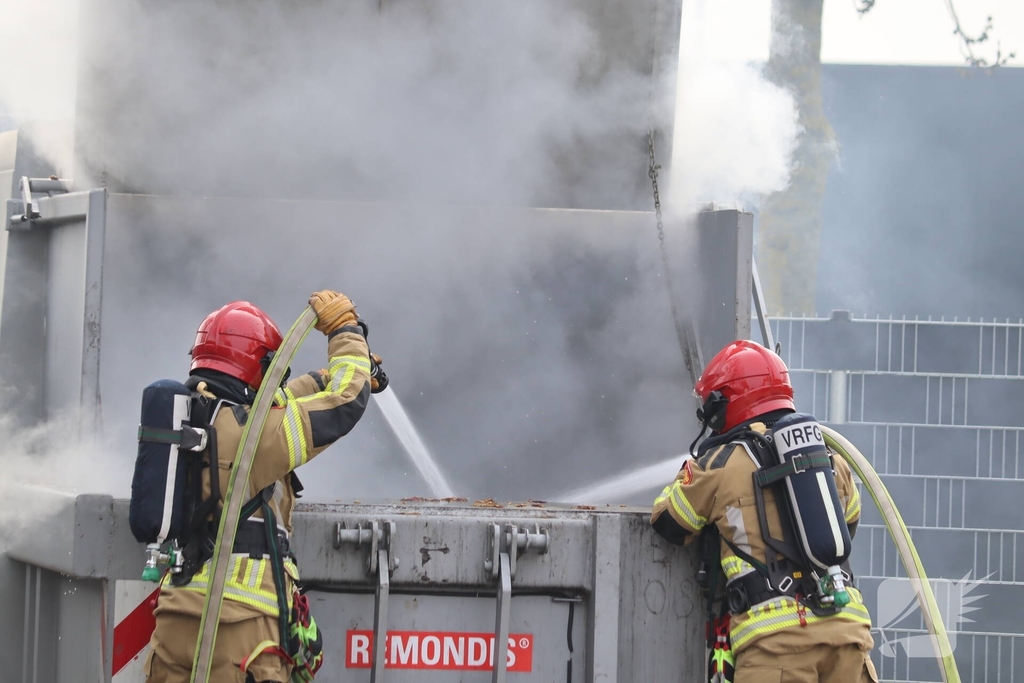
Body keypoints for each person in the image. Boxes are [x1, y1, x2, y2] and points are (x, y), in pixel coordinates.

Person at [145, 291, 382, 683]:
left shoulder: (192, 420)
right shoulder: (254, 438)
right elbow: (345, 402)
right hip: (239, 632)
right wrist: (345, 331)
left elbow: (278, 401)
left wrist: (323, 377)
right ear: (260, 365)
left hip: (175, 619)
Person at [650, 340, 877, 683]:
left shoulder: (718, 463)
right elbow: (849, 523)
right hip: (848, 634)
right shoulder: (829, 457)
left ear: (724, 403)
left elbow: (670, 523)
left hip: (776, 646)